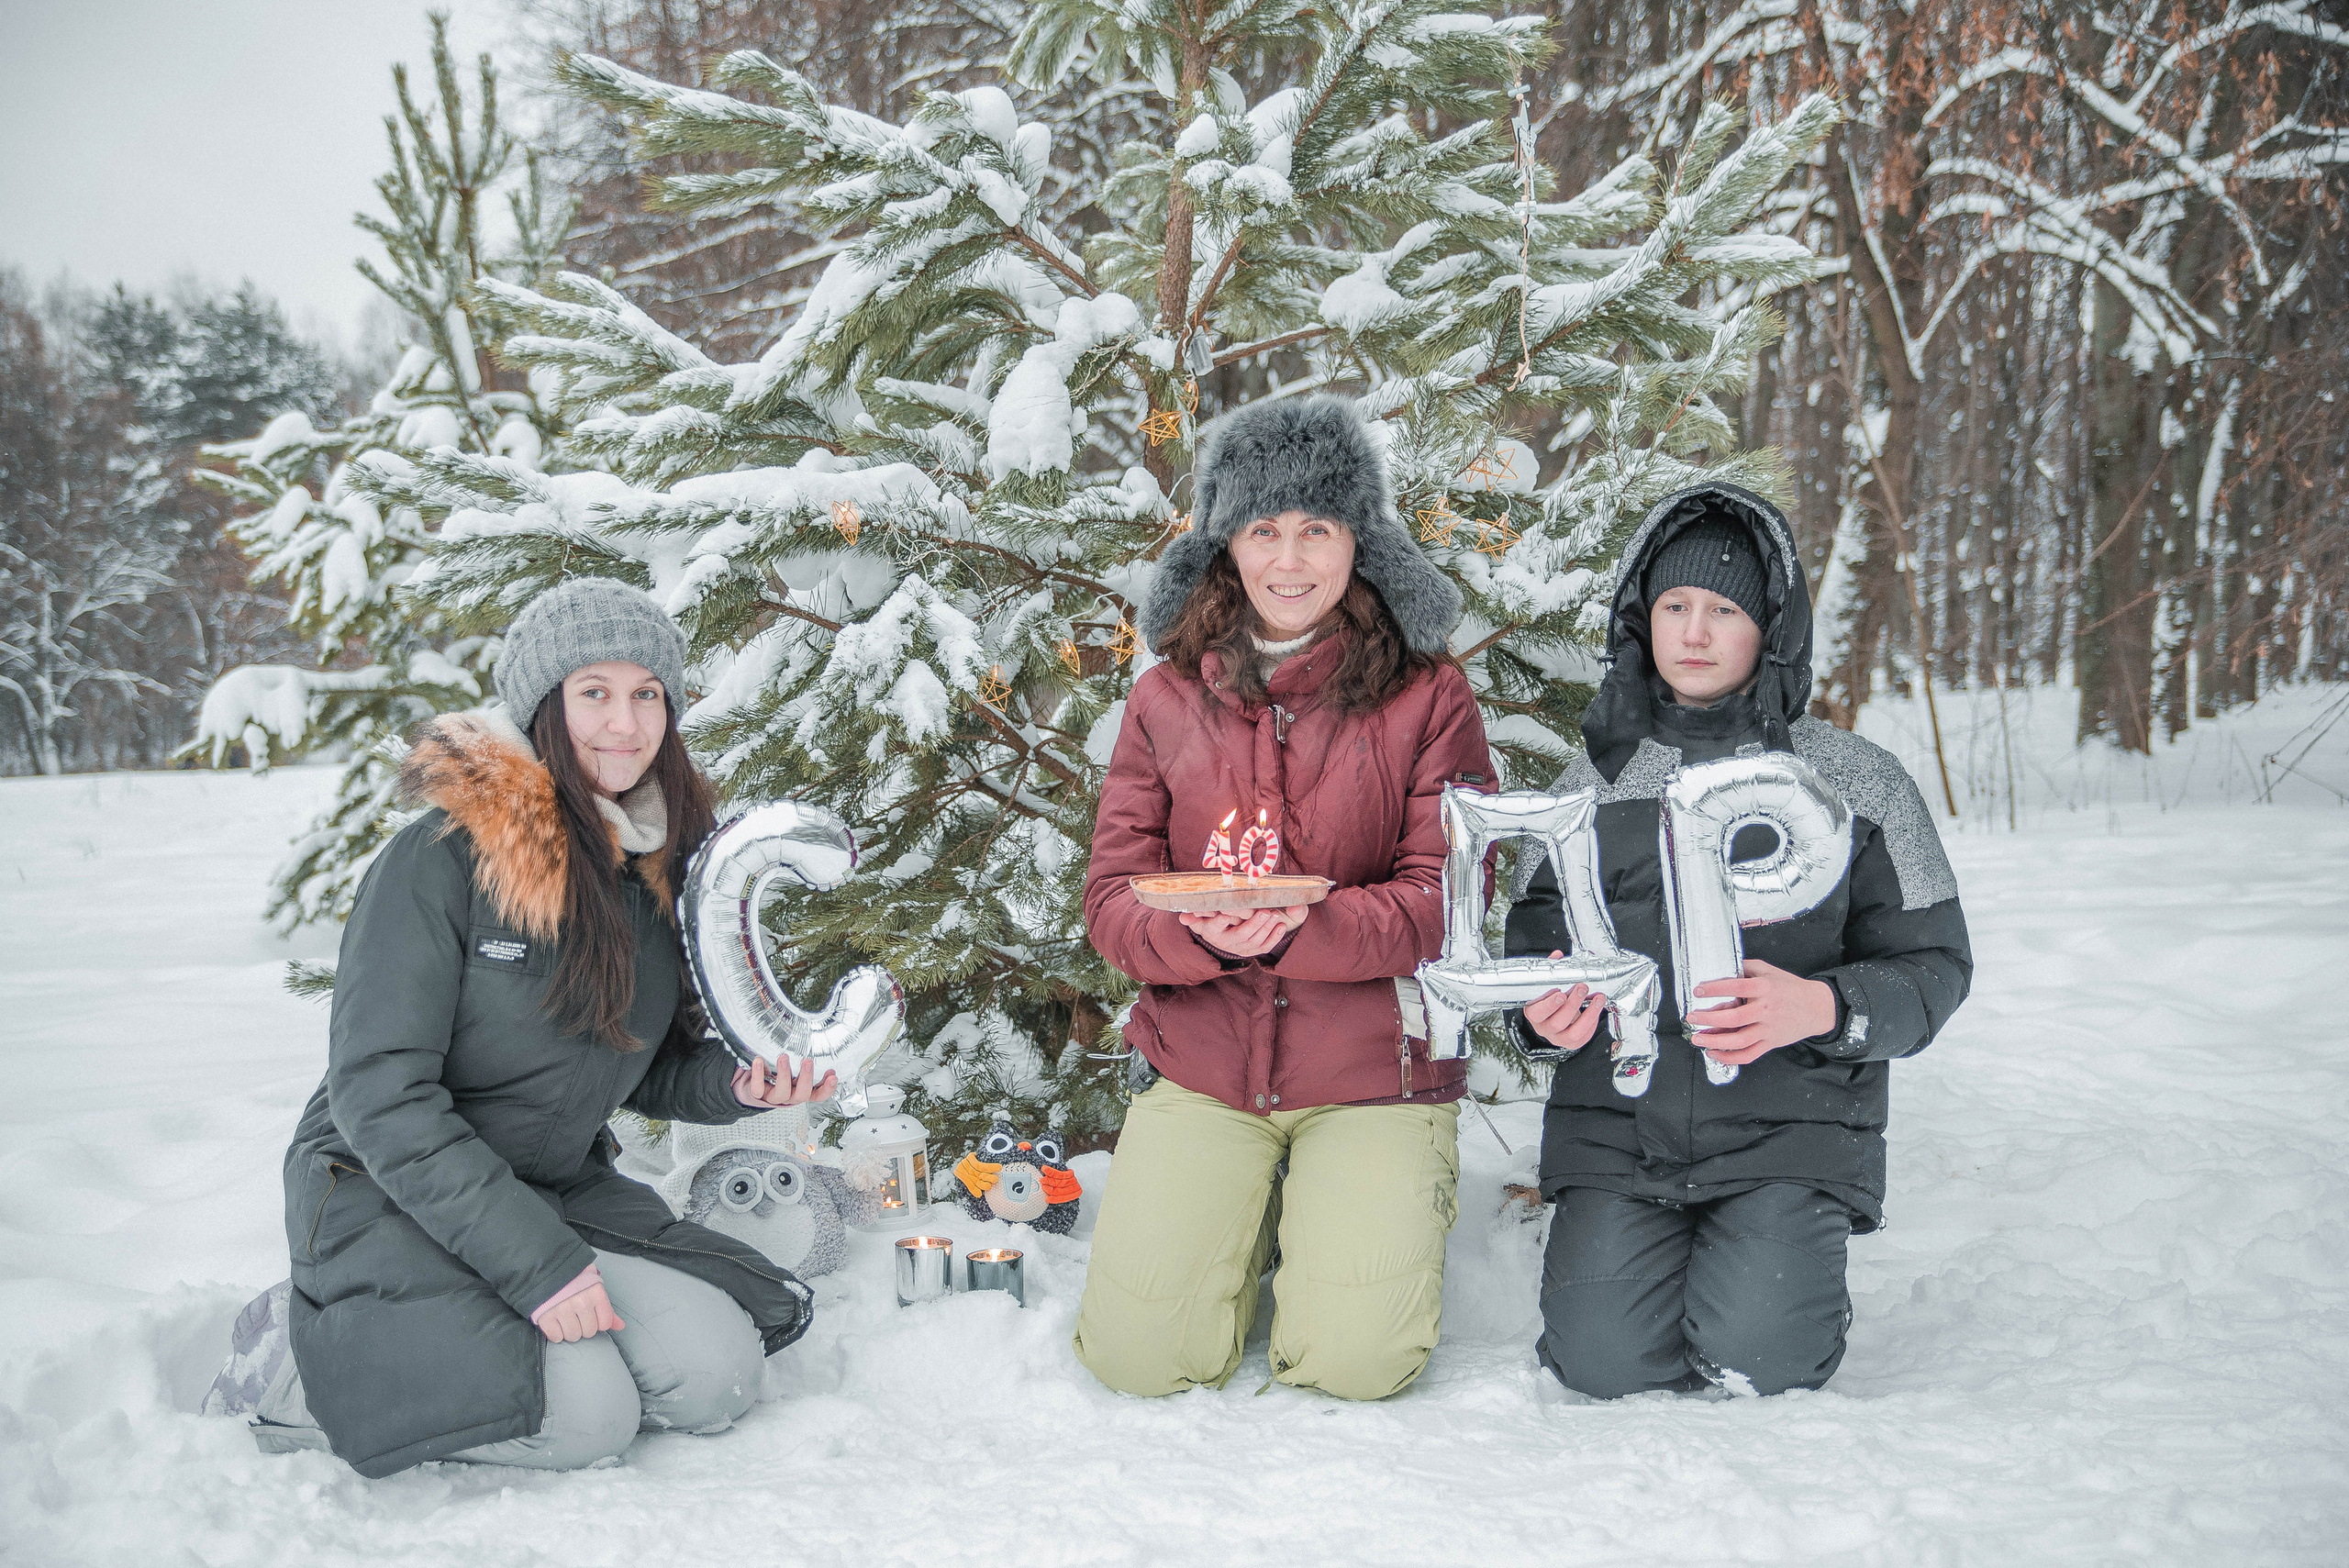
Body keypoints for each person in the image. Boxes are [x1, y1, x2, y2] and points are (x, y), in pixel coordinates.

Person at [262, 577, 834, 1476]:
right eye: (594, 691)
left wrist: (736, 1083)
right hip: (384, 1185)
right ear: (543, 706)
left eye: (647, 692)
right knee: (586, 1417)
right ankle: (303, 1367)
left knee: (714, 1372)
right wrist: (539, 1269)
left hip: (549, 1188)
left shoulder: (658, 870)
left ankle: (483, 1347)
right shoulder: (442, 857)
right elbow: (379, 1093)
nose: (625, 720)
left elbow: (643, 1067)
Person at [1506, 484, 1972, 1398]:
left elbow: (1935, 964)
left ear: (1770, 628)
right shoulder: (1587, 780)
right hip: (1620, 1127)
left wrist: (1826, 1005)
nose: (1695, 630)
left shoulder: (1854, 779)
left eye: (1724, 609)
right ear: (1644, 619)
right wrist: (1540, 1016)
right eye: (1675, 605)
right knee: (1599, 1362)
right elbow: (1533, 948)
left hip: (1788, 1128)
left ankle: (1790, 1284)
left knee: (1760, 1356)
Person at [1074, 395, 1494, 1400]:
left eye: (1318, 528)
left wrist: (1304, 926)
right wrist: (1208, 940)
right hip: (1207, 1062)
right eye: (1264, 529)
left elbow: (1447, 900)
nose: (1291, 558)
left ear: (1361, 543)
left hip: (1371, 1072)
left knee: (1355, 1362)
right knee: (1139, 1358)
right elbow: (1113, 903)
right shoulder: (1163, 699)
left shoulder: (1428, 694)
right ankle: (1242, 1207)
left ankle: (1330, 1208)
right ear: (1227, 545)